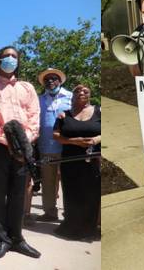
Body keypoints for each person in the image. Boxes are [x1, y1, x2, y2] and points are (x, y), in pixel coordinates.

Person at [0, 46, 41, 259]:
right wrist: (9, 143)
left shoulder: (27, 88)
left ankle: (17, 238)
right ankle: (0, 239)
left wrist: (26, 141)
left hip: (23, 147)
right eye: (7, 56)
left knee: (18, 194)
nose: (11, 59)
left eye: (14, 56)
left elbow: (34, 116)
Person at [53, 85, 101, 240]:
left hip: (92, 160)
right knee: (72, 194)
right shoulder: (64, 115)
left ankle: (89, 228)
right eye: (77, 91)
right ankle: (71, 227)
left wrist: (95, 139)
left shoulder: (99, 111)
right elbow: (56, 135)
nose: (81, 93)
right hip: (70, 161)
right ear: (72, 96)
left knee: (91, 194)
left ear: (90, 95)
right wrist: (75, 141)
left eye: (85, 91)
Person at [36, 68, 73, 222]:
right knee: (48, 181)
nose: (50, 81)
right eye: (47, 79)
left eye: (53, 78)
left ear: (60, 80)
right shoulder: (39, 99)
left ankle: (70, 212)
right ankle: (50, 212)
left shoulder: (70, 97)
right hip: (46, 146)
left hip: (67, 146)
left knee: (68, 180)